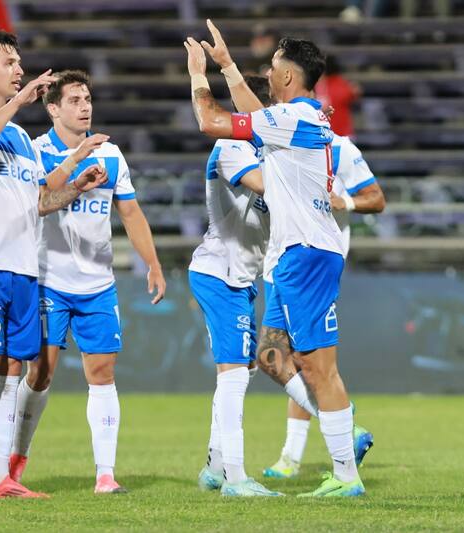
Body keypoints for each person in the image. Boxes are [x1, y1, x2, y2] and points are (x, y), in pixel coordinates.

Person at [185, 20, 365, 497]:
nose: (267, 74)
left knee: (317, 365)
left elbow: (212, 121)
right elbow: (256, 116)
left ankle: (347, 477)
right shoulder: (302, 119)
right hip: (299, 253)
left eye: (272, 68)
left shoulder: (292, 119)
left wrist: (200, 76)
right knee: (283, 357)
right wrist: (228, 66)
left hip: (305, 254)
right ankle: (343, 458)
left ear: (288, 78)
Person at [0, 29, 110, 501]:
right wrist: (19, 103)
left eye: (19, 62)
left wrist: (75, 174)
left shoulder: (18, 137)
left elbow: (37, 197)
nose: (19, 70)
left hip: (23, 267)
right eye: (10, 62)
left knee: (13, 367)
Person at [9, 70, 167, 494]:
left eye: (88, 99)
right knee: (40, 373)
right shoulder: (37, 152)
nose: (85, 107)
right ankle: (16, 458)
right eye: (75, 100)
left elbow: (130, 214)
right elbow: (40, 200)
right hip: (48, 280)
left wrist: (151, 263)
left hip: (98, 282)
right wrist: (76, 164)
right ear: (53, 108)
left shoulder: (111, 155)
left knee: (102, 371)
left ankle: (105, 474)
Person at [262, 132, 385, 479]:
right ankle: (314, 444)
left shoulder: (338, 147)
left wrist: (345, 202)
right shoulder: (276, 139)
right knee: (286, 360)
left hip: (311, 265)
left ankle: (310, 452)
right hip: (278, 262)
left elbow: (376, 198)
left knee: (302, 360)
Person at [190, 73, 276, 497]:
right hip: (219, 271)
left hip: (241, 274)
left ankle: (215, 464)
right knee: (234, 373)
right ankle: (236, 477)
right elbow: (265, 186)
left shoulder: (266, 148)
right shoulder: (233, 146)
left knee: (239, 368)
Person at [314, 56, 360, 138]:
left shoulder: (317, 86)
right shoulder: (345, 85)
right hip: (340, 135)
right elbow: (355, 92)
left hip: (328, 135)